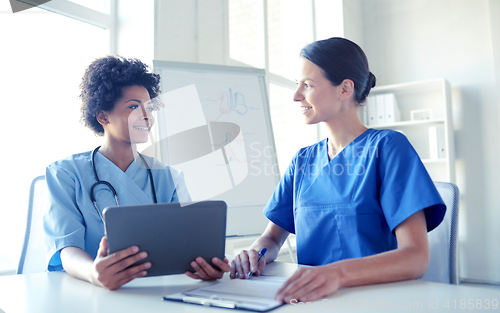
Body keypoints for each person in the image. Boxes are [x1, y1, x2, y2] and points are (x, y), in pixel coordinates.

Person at [229, 37, 446, 303]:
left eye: (307, 85)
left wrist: (337, 274)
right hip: (311, 302)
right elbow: (272, 238)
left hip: (379, 301)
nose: (296, 96)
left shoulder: (388, 148)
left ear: (344, 89)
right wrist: (254, 252)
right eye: (297, 85)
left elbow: (416, 257)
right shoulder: (303, 160)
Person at [44, 56, 230, 290]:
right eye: (133, 106)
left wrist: (203, 266)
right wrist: (94, 274)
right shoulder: (66, 174)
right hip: (86, 293)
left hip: (155, 292)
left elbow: (186, 247)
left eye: (149, 108)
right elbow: (66, 249)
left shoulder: (168, 177)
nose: (147, 116)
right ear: (102, 116)